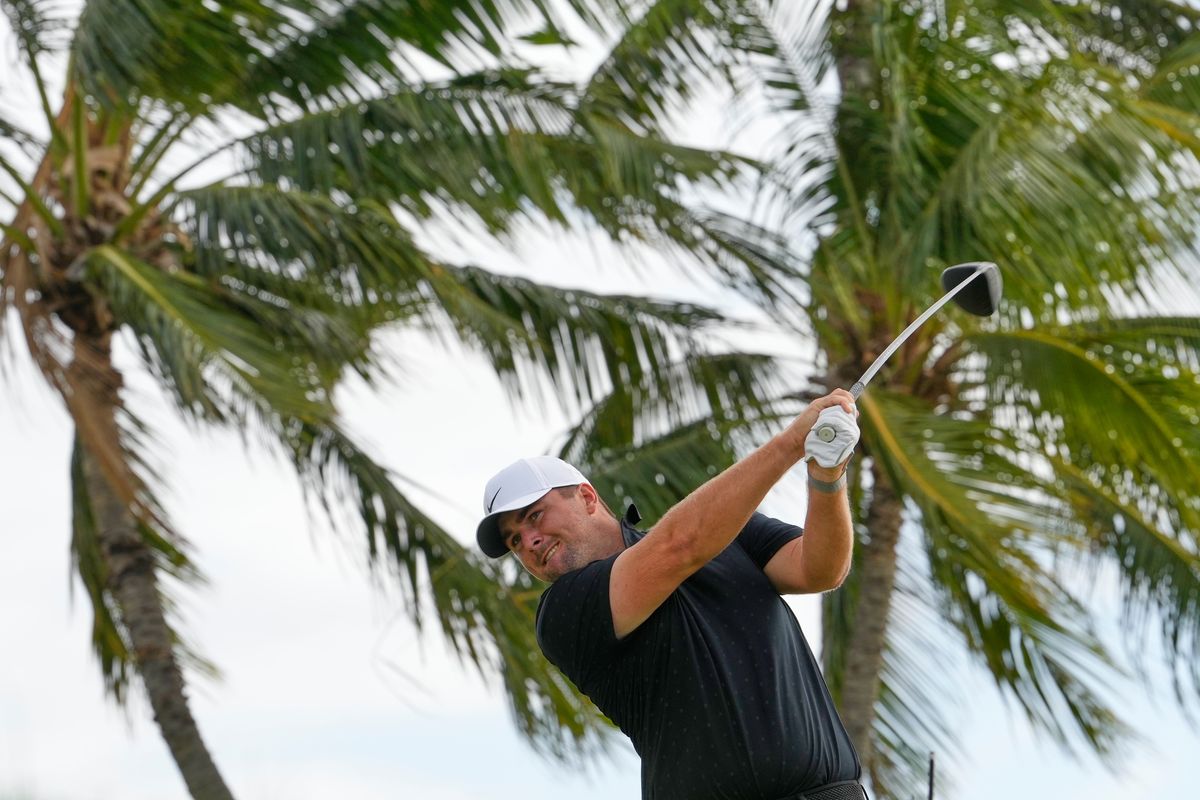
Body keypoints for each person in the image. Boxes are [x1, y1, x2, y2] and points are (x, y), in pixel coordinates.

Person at [475, 389, 866, 800]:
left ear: (587, 497)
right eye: (515, 541)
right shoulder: (563, 612)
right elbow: (679, 547)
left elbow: (820, 570)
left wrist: (827, 474)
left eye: (534, 516)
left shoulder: (729, 531)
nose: (529, 542)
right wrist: (791, 443)